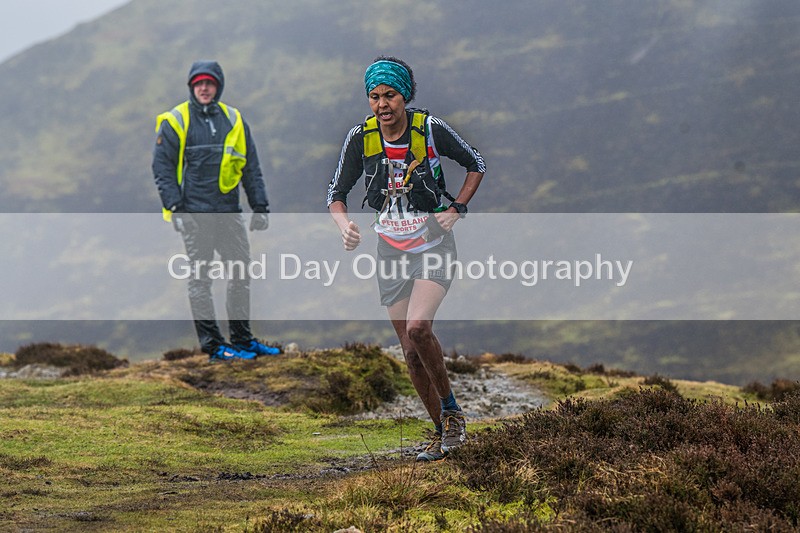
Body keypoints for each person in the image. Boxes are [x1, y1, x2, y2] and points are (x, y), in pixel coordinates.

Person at [327, 56, 485, 461]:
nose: (382, 104)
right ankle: (440, 432)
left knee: (418, 328)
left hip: (433, 245)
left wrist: (456, 210)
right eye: (375, 96)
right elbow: (336, 194)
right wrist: (344, 226)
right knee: (410, 352)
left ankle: (453, 415)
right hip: (390, 251)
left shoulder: (428, 128)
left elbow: (476, 164)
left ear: (404, 96)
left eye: (390, 95)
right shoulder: (360, 138)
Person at [152, 60, 280, 361]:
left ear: (218, 86)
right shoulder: (176, 120)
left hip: (229, 212)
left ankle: (243, 341)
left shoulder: (234, 119)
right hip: (194, 215)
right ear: (191, 87)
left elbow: (251, 166)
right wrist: (176, 208)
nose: (204, 88)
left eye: (209, 83)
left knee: (240, 274)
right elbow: (162, 168)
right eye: (198, 84)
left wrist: (259, 205)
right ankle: (214, 347)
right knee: (201, 280)